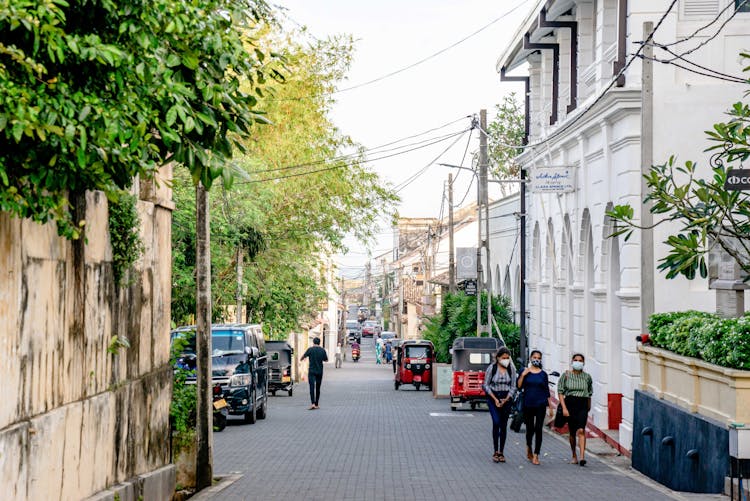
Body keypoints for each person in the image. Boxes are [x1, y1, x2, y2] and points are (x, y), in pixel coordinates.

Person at [516, 350, 554, 465]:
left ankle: (536, 455)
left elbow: (546, 390)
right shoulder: (524, 371)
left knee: (538, 429)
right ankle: (529, 446)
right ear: (530, 358)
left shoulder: (543, 374)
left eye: (538, 358)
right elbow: (519, 386)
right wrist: (523, 375)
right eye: (534, 357)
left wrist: (550, 406)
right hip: (528, 404)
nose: (536, 359)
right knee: (530, 429)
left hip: (541, 404)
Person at [557, 353, 594, 466]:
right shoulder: (566, 375)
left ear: (583, 363)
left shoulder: (587, 377)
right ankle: (574, 455)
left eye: (580, 360)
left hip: (582, 405)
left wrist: (588, 406)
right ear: (572, 362)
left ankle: (582, 457)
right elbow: (560, 391)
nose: (578, 362)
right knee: (572, 432)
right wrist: (564, 408)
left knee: (581, 430)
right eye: (576, 360)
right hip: (570, 404)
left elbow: (589, 392)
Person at [483, 347, 517, 463]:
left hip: (506, 398)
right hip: (493, 398)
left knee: (503, 425)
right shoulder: (492, 368)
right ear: (498, 358)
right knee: (496, 422)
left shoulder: (511, 369)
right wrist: (495, 399)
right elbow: (486, 385)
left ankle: (501, 452)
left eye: (508, 358)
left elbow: (513, 386)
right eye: (503, 358)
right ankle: (495, 450)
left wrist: (507, 398)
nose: (506, 360)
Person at [300, 337, 328, 410]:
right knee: (318, 388)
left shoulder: (310, 349)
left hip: (312, 371)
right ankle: (317, 404)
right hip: (319, 371)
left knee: (312, 387)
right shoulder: (322, 350)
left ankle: (312, 404)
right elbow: (326, 359)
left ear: (313, 342)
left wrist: (303, 358)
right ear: (319, 342)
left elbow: (303, 357)